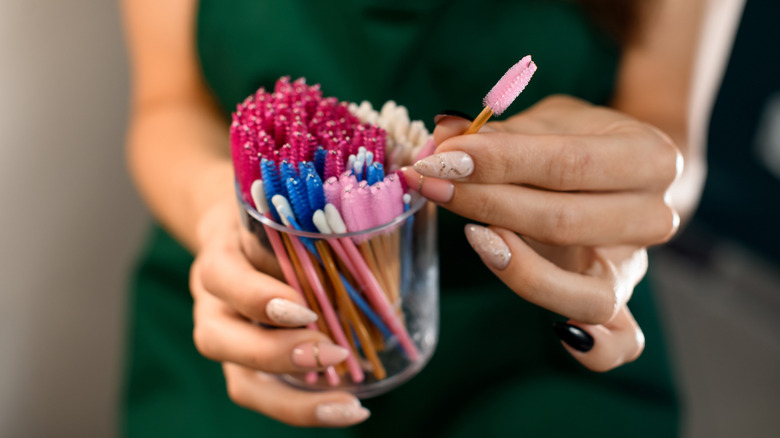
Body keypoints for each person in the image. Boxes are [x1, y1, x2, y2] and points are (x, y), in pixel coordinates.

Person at [120, 0, 705, 436]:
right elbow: (169, 104)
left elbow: (669, 140)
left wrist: (613, 196)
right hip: (264, 296)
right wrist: (222, 219)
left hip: (532, 326)